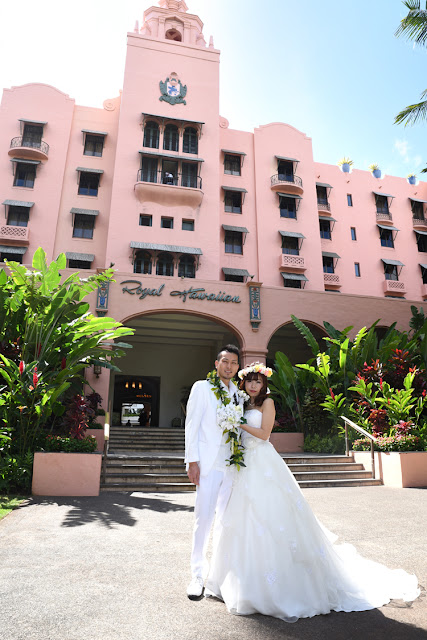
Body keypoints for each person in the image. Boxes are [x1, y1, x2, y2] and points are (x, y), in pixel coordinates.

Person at [205, 363, 420, 622]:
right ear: (244, 383)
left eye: (258, 381)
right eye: (250, 381)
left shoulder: (267, 403)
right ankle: (235, 580)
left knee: (271, 516)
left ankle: (277, 588)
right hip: (242, 465)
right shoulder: (240, 403)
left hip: (262, 462)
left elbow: (264, 435)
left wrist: (238, 424)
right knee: (240, 518)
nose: (253, 385)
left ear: (264, 385)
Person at [184, 344, 243, 600]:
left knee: (225, 522)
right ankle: (197, 574)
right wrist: (192, 461)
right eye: (225, 361)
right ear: (216, 364)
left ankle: (218, 576)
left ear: (238, 368)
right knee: (203, 520)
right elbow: (192, 425)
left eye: (233, 363)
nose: (229, 366)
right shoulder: (202, 388)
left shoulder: (239, 395)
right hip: (207, 465)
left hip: (231, 466)